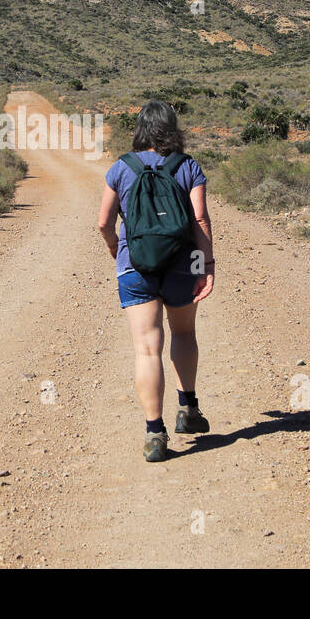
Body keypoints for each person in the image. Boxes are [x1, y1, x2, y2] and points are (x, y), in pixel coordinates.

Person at [97, 100, 214, 462]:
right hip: (183, 264)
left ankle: (154, 433)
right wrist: (206, 264)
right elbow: (200, 220)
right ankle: (189, 410)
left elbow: (103, 222)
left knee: (147, 349)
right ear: (172, 128)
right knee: (183, 334)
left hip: (136, 265)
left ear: (141, 129)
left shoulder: (121, 168)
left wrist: (119, 250)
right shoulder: (188, 166)